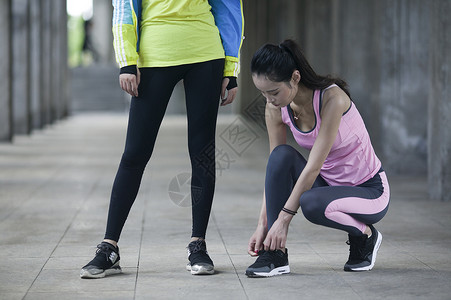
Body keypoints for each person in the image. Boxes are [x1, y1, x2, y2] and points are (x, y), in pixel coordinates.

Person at [80, 0, 244, 278]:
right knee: (134, 154)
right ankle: (109, 246)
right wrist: (127, 60)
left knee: (202, 153)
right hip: (154, 54)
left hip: (205, 53)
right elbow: (123, 8)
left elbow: (228, 8)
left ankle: (198, 244)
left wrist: (230, 67)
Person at [245, 39, 390, 277]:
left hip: (370, 191)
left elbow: (313, 167)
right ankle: (275, 254)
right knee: (280, 157)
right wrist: (264, 224)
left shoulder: (332, 99)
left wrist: (283, 220)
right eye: (262, 92)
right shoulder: (275, 107)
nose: (269, 99)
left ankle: (365, 235)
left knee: (311, 203)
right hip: (329, 187)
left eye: (273, 92)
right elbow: (274, 171)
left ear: (295, 78)